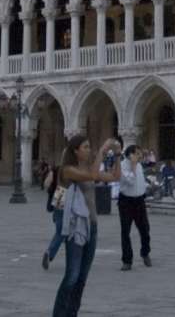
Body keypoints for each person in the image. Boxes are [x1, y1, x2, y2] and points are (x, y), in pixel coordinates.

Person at [52, 135, 122, 317]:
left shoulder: (88, 168)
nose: (89, 149)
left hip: (92, 226)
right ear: (75, 151)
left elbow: (115, 176)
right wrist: (102, 150)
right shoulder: (67, 170)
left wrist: (118, 155)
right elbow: (92, 175)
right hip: (76, 227)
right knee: (72, 275)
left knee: (82, 277)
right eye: (85, 147)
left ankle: (72, 313)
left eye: (90, 146)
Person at [117, 144, 152, 270]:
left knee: (145, 229)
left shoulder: (139, 165)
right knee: (125, 231)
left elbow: (139, 182)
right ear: (130, 154)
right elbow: (130, 181)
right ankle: (127, 260)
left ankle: (145, 252)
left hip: (139, 201)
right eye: (137, 154)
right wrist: (132, 165)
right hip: (126, 201)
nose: (140, 156)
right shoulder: (121, 166)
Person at [43, 165, 66, 270]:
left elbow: (46, 184)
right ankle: (50, 252)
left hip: (59, 193)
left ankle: (50, 252)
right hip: (69, 194)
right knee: (62, 231)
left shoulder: (56, 169)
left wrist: (52, 192)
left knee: (60, 227)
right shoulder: (74, 168)